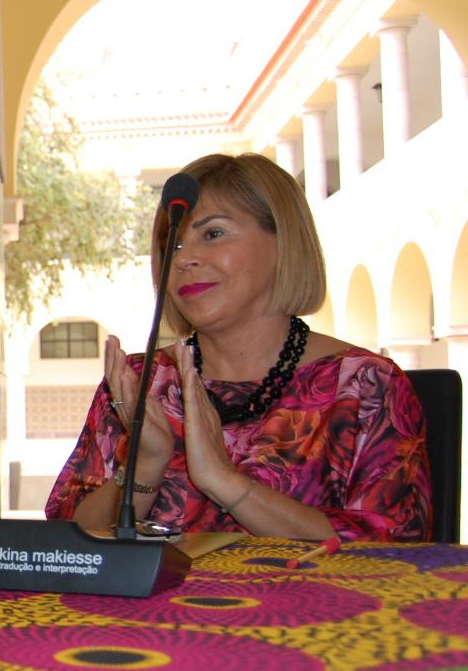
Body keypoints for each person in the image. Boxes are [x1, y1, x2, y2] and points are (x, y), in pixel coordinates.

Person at [45, 153, 430, 542]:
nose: (184, 260)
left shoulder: (365, 387)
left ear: (284, 241)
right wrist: (143, 466)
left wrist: (225, 481)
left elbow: (394, 552)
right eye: (173, 246)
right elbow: (63, 546)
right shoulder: (138, 385)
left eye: (212, 234)